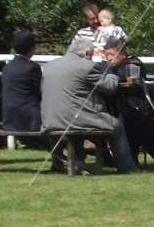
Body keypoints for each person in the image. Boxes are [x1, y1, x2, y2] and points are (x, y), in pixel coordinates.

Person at [41, 35, 130, 172]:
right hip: (74, 119)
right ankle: (127, 168)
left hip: (50, 119)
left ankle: (74, 163)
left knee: (78, 126)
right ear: (87, 53)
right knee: (117, 126)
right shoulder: (87, 67)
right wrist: (112, 73)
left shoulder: (49, 66)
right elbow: (110, 86)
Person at [0, 29, 42, 133]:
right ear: (32, 48)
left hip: (9, 119)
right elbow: (40, 92)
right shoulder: (33, 67)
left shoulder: (7, 67)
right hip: (29, 120)